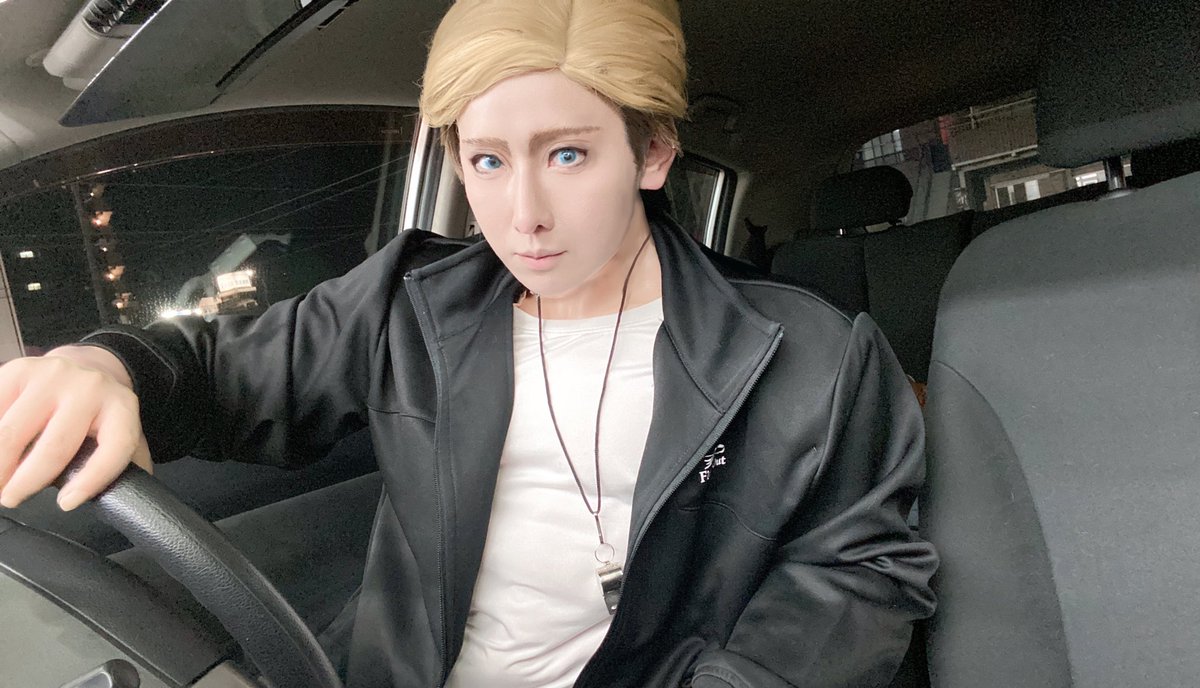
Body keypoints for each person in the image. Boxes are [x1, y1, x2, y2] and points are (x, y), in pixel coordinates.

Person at [0, 0, 937, 685]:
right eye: (489, 161)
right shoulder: (409, 301)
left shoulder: (812, 353)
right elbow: (216, 373)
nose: (523, 215)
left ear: (652, 154)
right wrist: (105, 365)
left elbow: (862, 568)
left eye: (567, 154)